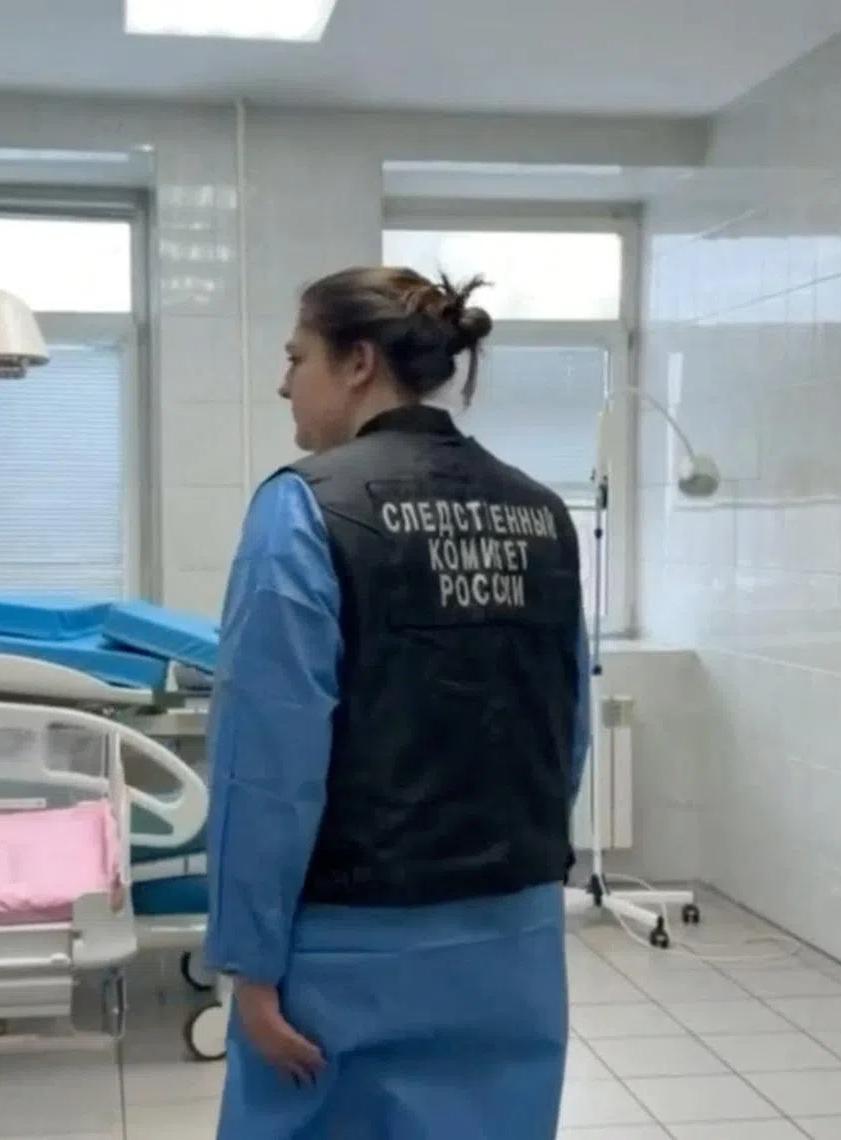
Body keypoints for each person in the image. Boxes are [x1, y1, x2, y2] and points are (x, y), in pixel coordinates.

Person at [204, 266, 591, 1140]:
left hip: (349, 949)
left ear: (358, 363)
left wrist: (252, 968)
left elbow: (266, 767)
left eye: (297, 355)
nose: (282, 381)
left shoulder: (305, 508)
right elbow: (565, 731)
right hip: (513, 941)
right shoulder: (543, 514)